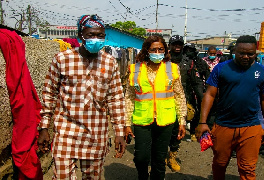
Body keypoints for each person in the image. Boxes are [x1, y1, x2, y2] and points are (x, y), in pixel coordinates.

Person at [37, 14, 126, 179]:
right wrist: (43, 127)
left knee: (91, 177)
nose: (96, 39)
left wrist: (119, 132)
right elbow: (49, 93)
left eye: (100, 35)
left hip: (96, 135)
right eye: (91, 34)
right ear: (80, 35)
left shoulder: (110, 62)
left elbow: (116, 99)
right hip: (65, 132)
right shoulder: (62, 59)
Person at [195, 35, 264, 180]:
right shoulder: (221, 68)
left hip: (251, 127)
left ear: (256, 53)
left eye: (250, 54)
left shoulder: (262, 71)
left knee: (248, 168)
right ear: (234, 50)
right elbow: (210, 95)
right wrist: (203, 122)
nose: (245, 56)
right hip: (224, 125)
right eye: (241, 52)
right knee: (220, 164)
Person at [124, 35, 187, 180]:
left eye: (161, 49)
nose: (157, 52)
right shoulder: (134, 69)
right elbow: (129, 97)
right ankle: (143, 176)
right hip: (142, 120)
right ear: (147, 51)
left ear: (165, 51)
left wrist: (182, 120)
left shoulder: (172, 68)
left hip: (165, 120)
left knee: (159, 159)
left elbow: (179, 95)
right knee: (141, 157)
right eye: (154, 49)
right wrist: (126, 123)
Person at [165, 35, 188, 172]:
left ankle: (172, 156)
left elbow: (194, 82)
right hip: (164, 100)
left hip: (182, 101)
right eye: (175, 44)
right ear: (170, 45)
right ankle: (161, 155)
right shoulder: (162, 60)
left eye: (180, 44)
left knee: (177, 132)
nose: (177, 46)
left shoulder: (189, 61)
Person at [183, 43, 210, 141]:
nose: (188, 52)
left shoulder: (200, 62)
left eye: (190, 50)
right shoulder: (180, 61)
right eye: (186, 50)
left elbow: (207, 74)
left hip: (196, 88)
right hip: (182, 87)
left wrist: (206, 89)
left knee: (196, 109)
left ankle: (193, 132)